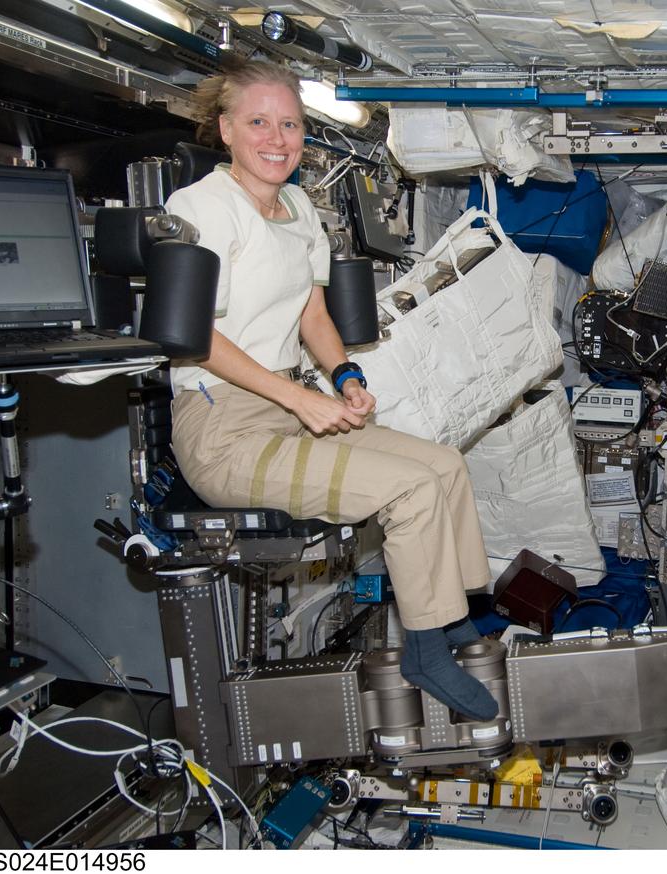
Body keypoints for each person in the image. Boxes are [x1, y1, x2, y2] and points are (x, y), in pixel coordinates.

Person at [163, 60, 498, 722]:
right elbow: (196, 333)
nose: (277, 138)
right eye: (258, 122)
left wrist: (345, 377)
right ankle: (423, 649)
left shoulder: (296, 210)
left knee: (444, 465)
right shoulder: (200, 208)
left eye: (289, 124)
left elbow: (312, 314)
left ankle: (453, 616)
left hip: (285, 409)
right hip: (223, 429)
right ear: (226, 128)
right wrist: (297, 398)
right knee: (410, 491)